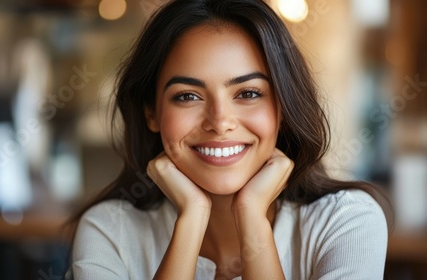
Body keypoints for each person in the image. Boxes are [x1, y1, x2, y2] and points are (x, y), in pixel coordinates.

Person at [68, 0, 392, 279]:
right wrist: (191, 218)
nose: (220, 122)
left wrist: (252, 215)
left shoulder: (346, 222)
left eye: (248, 93)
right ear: (151, 113)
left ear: (283, 106)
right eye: (188, 96)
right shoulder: (109, 231)